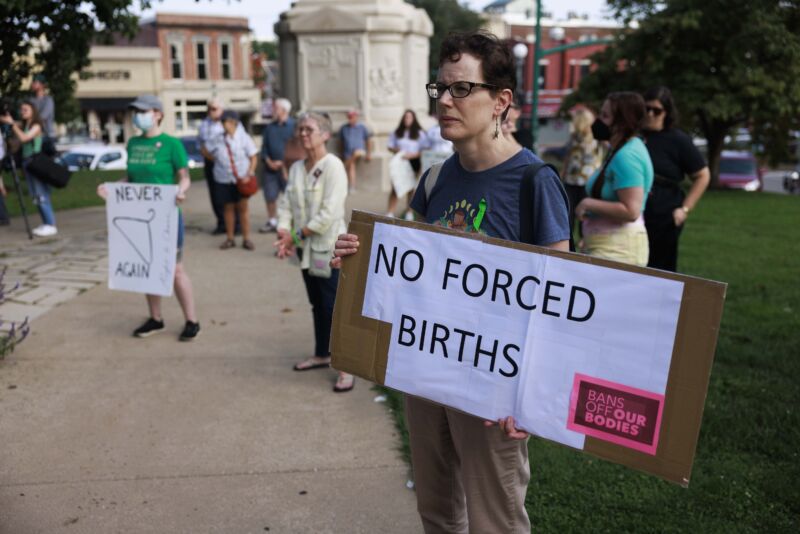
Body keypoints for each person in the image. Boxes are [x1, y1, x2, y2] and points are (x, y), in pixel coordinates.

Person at [333, 31, 571, 532]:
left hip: (492, 389)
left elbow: (557, 301)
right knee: (438, 512)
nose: (444, 101)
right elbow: (412, 271)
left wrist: (532, 395)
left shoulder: (534, 183)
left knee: (495, 520)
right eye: (439, 88)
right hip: (425, 373)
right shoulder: (435, 178)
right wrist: (361, 262)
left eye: (461, 89)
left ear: (501, 101)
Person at [97, 94, 200, 341]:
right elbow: (131, 179)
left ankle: (192, 320)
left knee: (175, 270)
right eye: (135, 112)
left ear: (157, 114)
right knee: (148, 267)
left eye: (143, 111)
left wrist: (181, 191)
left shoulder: (171, 144)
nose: (137, 116)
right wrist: (112, 188)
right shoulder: (132, 144)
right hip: (138, 215)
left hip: (165, 216)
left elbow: (183, 176)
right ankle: (155, 318)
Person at [274, 111, 354, 394]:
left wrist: (295, 236)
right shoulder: (297, 168)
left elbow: (329, 214)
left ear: (325, 135)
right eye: (300, 129)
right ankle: (322, 353)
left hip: (329, 249)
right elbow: (286, 205)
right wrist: (284, 233)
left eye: (309, 129)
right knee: (317, 305)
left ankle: (345, 366)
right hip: (306, 251)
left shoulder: (333, 166)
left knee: (334, 307)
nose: (303, 134)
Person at [575, 92, 654, 267]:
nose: (598, 121)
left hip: (619, 250)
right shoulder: (620, 149)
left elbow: (631, 210)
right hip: (608, 245)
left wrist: (588, 204)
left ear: (622, 121)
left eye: (605, 116)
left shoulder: (627, 156)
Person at [642, 86, 710, 272]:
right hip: (635, 209)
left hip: (664, 212)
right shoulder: (635, 136)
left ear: (666, 112)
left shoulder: (677, 140)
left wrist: (684, 209)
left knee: (659, 267)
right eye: (646, 108)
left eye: (656, 110)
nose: (650, 114)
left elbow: (702, 175)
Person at [0, 100, 57, 236]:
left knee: (41, 194)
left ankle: (51, 224)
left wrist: (12, 124)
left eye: (26, 109)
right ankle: (45, 223)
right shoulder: (25, 125)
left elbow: (25, 138)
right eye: (22, 110)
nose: (23, 112)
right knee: (35, 195)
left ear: (33, 111)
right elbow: (11, 123)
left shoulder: (37, 125)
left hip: (35, 162)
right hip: (28, 164)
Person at [207, 110, 258, 250]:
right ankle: (230, 238)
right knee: (228, 208)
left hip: (241, 178)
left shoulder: (244, 138)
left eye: (227, 121)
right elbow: (206, 150)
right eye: (223, 122)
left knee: (243, 208)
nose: (224, 125)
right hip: (223, 178)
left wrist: (250, 173)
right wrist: (215, 160)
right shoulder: (218, 138)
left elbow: (253, 156)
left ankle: (246, 238)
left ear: (234, 122)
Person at [561, 107, 604, 235]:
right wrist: (562, 174)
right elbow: (568, 156)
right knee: (568, 215)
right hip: (571, 180)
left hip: (588, 182)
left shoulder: (596, 137)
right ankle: (568, 243)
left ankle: (583, 239)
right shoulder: (574, 137)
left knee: (584, 216)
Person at [259, 97, 295, 233]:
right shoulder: (269, 128)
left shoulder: (294, 126)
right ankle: (272, 221)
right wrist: (268, 161)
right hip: (270, 169)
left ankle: (290, 223)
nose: (273, 110)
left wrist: (284, 162)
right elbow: (264, 148)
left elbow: (296, 148)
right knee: (270, 196)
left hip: (289, 169)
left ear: (284, 110)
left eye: (276, 108)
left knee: (290, 197)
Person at [387, 109, 425, 219]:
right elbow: (390, 146)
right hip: (400, 162)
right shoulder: (397, 132)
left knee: (411, 188)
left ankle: (409, 212)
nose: (407, 119)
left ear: (413, 119)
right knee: (395, 186)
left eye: (409, 117)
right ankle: (390, 212)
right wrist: (396, 150)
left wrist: (412, 155)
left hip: (413, 162)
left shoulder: (420, 133)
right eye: (405, 117)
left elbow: (424, 150)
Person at [198, 98, 227, 234]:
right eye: (209, 109)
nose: (211, 112)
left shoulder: (227, 123)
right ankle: (221, 222)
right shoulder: (204, 124)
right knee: (214, 193)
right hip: (211, 161)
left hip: (225, 162)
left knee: (227, 193)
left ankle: (234, 223)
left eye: (214, 109)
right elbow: (202, 145)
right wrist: (211, 158)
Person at [339, 109, 372, 191]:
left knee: (357, 153)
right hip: (348, 152)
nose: (350, 119)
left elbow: (368, 141)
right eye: (349, 117)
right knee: (351, 166)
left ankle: (341, 167)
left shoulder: (362, 127)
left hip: (360, 151)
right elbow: (341, 143)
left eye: (352, 117)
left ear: (356, 117)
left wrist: (369, 153)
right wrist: (342, 153)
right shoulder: (344, 128)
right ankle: (352, 186)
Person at [30, 75, 56, 141]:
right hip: (33, 134)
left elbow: (43, 117)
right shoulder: (31, 100)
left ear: (42, 85)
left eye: (35, 82)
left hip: (47, 135)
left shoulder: (48, 100)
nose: (32, 84)